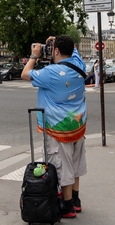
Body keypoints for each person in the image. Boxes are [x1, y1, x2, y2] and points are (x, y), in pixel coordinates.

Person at [21, 35, 87, 218]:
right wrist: (58, 40)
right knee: (76, 161)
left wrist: (34, 55)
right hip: (78, 123)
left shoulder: (51, 72)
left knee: (61, 165)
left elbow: (25, 74)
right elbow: (73, 51)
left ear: (56, 51)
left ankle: (67, 207)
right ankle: (75, 199)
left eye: (52, 48)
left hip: (58, 128)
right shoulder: (79, 64)